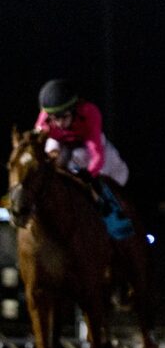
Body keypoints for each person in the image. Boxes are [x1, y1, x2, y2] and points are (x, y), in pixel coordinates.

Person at [34, 78, 133, 239]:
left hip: (88, 144)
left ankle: (115, 219)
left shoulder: (89, 112)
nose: (58, 123)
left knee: (109, 172)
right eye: (54, 118)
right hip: (63, 145)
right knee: (49, 152)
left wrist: (90, 174)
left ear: (74, 110)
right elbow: (36, 145)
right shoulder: (45, 119)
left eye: (63, 117)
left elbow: (96, 152)